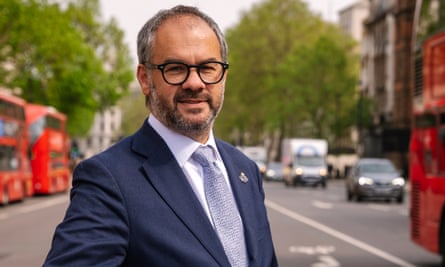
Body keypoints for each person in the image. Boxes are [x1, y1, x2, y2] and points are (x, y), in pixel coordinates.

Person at [43, 5, 278, 267]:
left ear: (223, 76)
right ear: (145, 79)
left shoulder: (245, 170)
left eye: (208, 67)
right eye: (176, 68)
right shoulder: (108, 179)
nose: (195, 82)